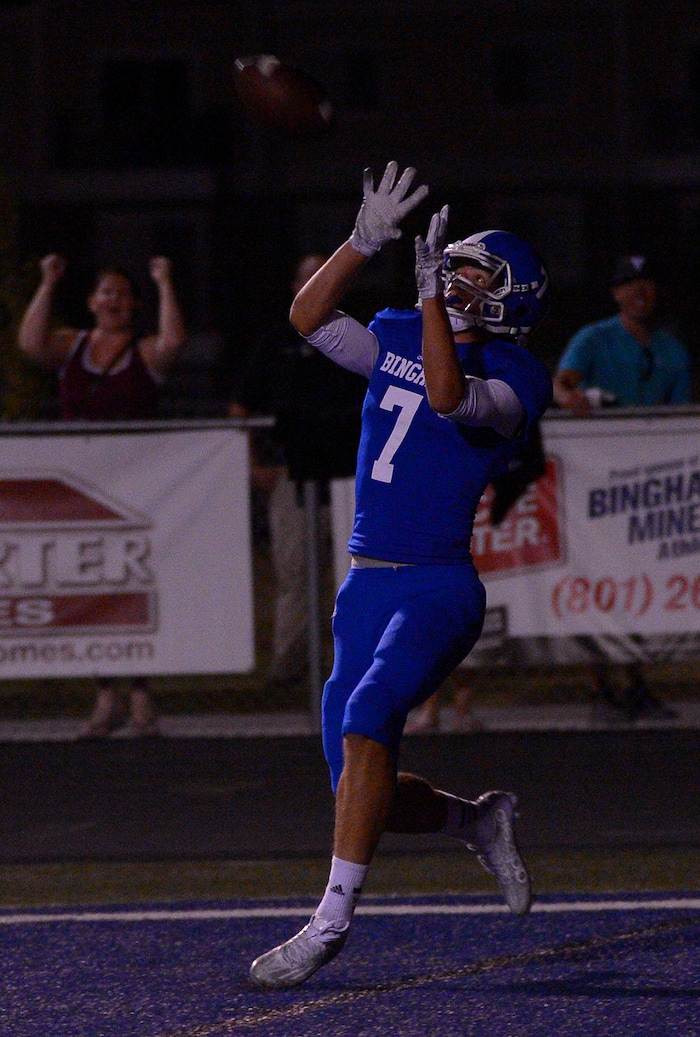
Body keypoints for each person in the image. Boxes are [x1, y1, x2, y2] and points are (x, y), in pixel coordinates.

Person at [249, 160, 553, 989]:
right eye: (448, 264)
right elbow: (308, 315)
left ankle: (329, 922)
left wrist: (428, 305)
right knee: (358, 774)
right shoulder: (394, 327)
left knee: (373, 710)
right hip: (365, 582)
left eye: (469, 270)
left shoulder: (520, 376)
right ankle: (475, 820)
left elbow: (453, 397)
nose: (451, 274)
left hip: (436, 584)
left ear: (507, 295)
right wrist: (361, 241)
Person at [18, 253, 187, 736]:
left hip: (137, 492)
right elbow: (30, 344)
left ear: (133, 305)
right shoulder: (72, 346)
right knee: (93, 588)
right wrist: (47, 283)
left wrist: (164, 280)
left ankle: (140, 698)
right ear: (92, 302)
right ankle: (104, 696)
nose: (113, 300)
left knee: (135, 589)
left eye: (122, 293)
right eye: (105, 292)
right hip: (83, 493)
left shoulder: (142, 351)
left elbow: (174, 340)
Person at [553, 253, 690, 720]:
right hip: (598, 480)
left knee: (636, 581)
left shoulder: (671, 347)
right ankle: (603, 686)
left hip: (651, 484)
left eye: (647, 283)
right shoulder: (595, 338)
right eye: (629, 284)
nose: (640, 292)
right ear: (615, 293)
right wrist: (571, 398)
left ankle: (635, 684)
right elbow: (561, 384)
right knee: (596, 577)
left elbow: (684, 414)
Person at [229, 253, 366, 687]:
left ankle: (355, 664)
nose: (319, 284)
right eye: (309, 278)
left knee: (357, 573)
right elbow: (241, 406)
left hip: (351, 477)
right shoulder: (274, 343)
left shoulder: (360, 338)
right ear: (295, 288)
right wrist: (254, 463)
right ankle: (291, 670)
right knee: (294, 571)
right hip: (293, 474)